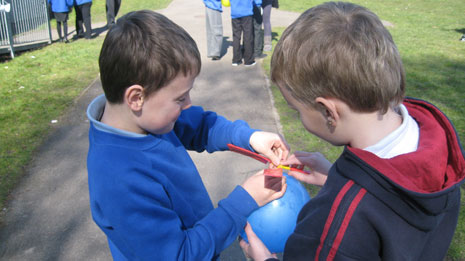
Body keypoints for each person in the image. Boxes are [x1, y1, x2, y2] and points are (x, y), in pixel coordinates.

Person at [240, 2, 465, 260]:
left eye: (296, 109)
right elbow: (393, 196)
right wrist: (336, 176)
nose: (297, 116)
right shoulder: (439, 142)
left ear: (328, 112)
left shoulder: (333, 226)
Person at [86, 10, 290, 260]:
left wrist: (249, 137)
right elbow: (179, 254)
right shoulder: (119, 178)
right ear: (136, 98)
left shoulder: (147, 120)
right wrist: (243, 202)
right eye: (180, 98)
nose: (188, 104)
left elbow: (202, 126)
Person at [230, 0, 255, 66]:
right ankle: (248, 60)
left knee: (236, 37)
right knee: (248, 36)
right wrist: (257, 3)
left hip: (235, 12)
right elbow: (257, 2)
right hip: (246, 11)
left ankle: (236, 60)